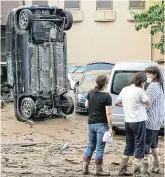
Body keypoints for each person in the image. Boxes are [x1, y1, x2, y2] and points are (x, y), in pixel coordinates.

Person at [115, 72, 150, 176]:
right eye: (144, 82)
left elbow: (117, 103)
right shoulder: (139, 91)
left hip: (128, 122)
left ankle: (122, 170)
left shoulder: (125, 89)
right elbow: (148, 102)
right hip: (139, 122)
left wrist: (126, 105)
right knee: (139, 145)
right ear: (142, 82)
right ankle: (136, 172)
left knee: (129, 145)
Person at [83, 75, 112, 176]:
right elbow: (108, 113)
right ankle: (99, 171)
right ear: (105, 84)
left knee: (90, 146)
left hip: (91, 123)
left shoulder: (91, 92)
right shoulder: (107, 96)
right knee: (100, 148)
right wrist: (111, 127)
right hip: (102, 125)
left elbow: (86, 105)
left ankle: (85, 169)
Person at [143, 66, 164, 175]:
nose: (147, 76)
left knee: (146, 145)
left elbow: (147, 103)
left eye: (149, 74)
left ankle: (146, 169)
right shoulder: (160, 85)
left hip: (150, 120)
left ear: (155, 75)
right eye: (146, 74)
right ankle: (156, 166)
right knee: (154, 144)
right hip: (157, 120)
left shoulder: (152, 86)